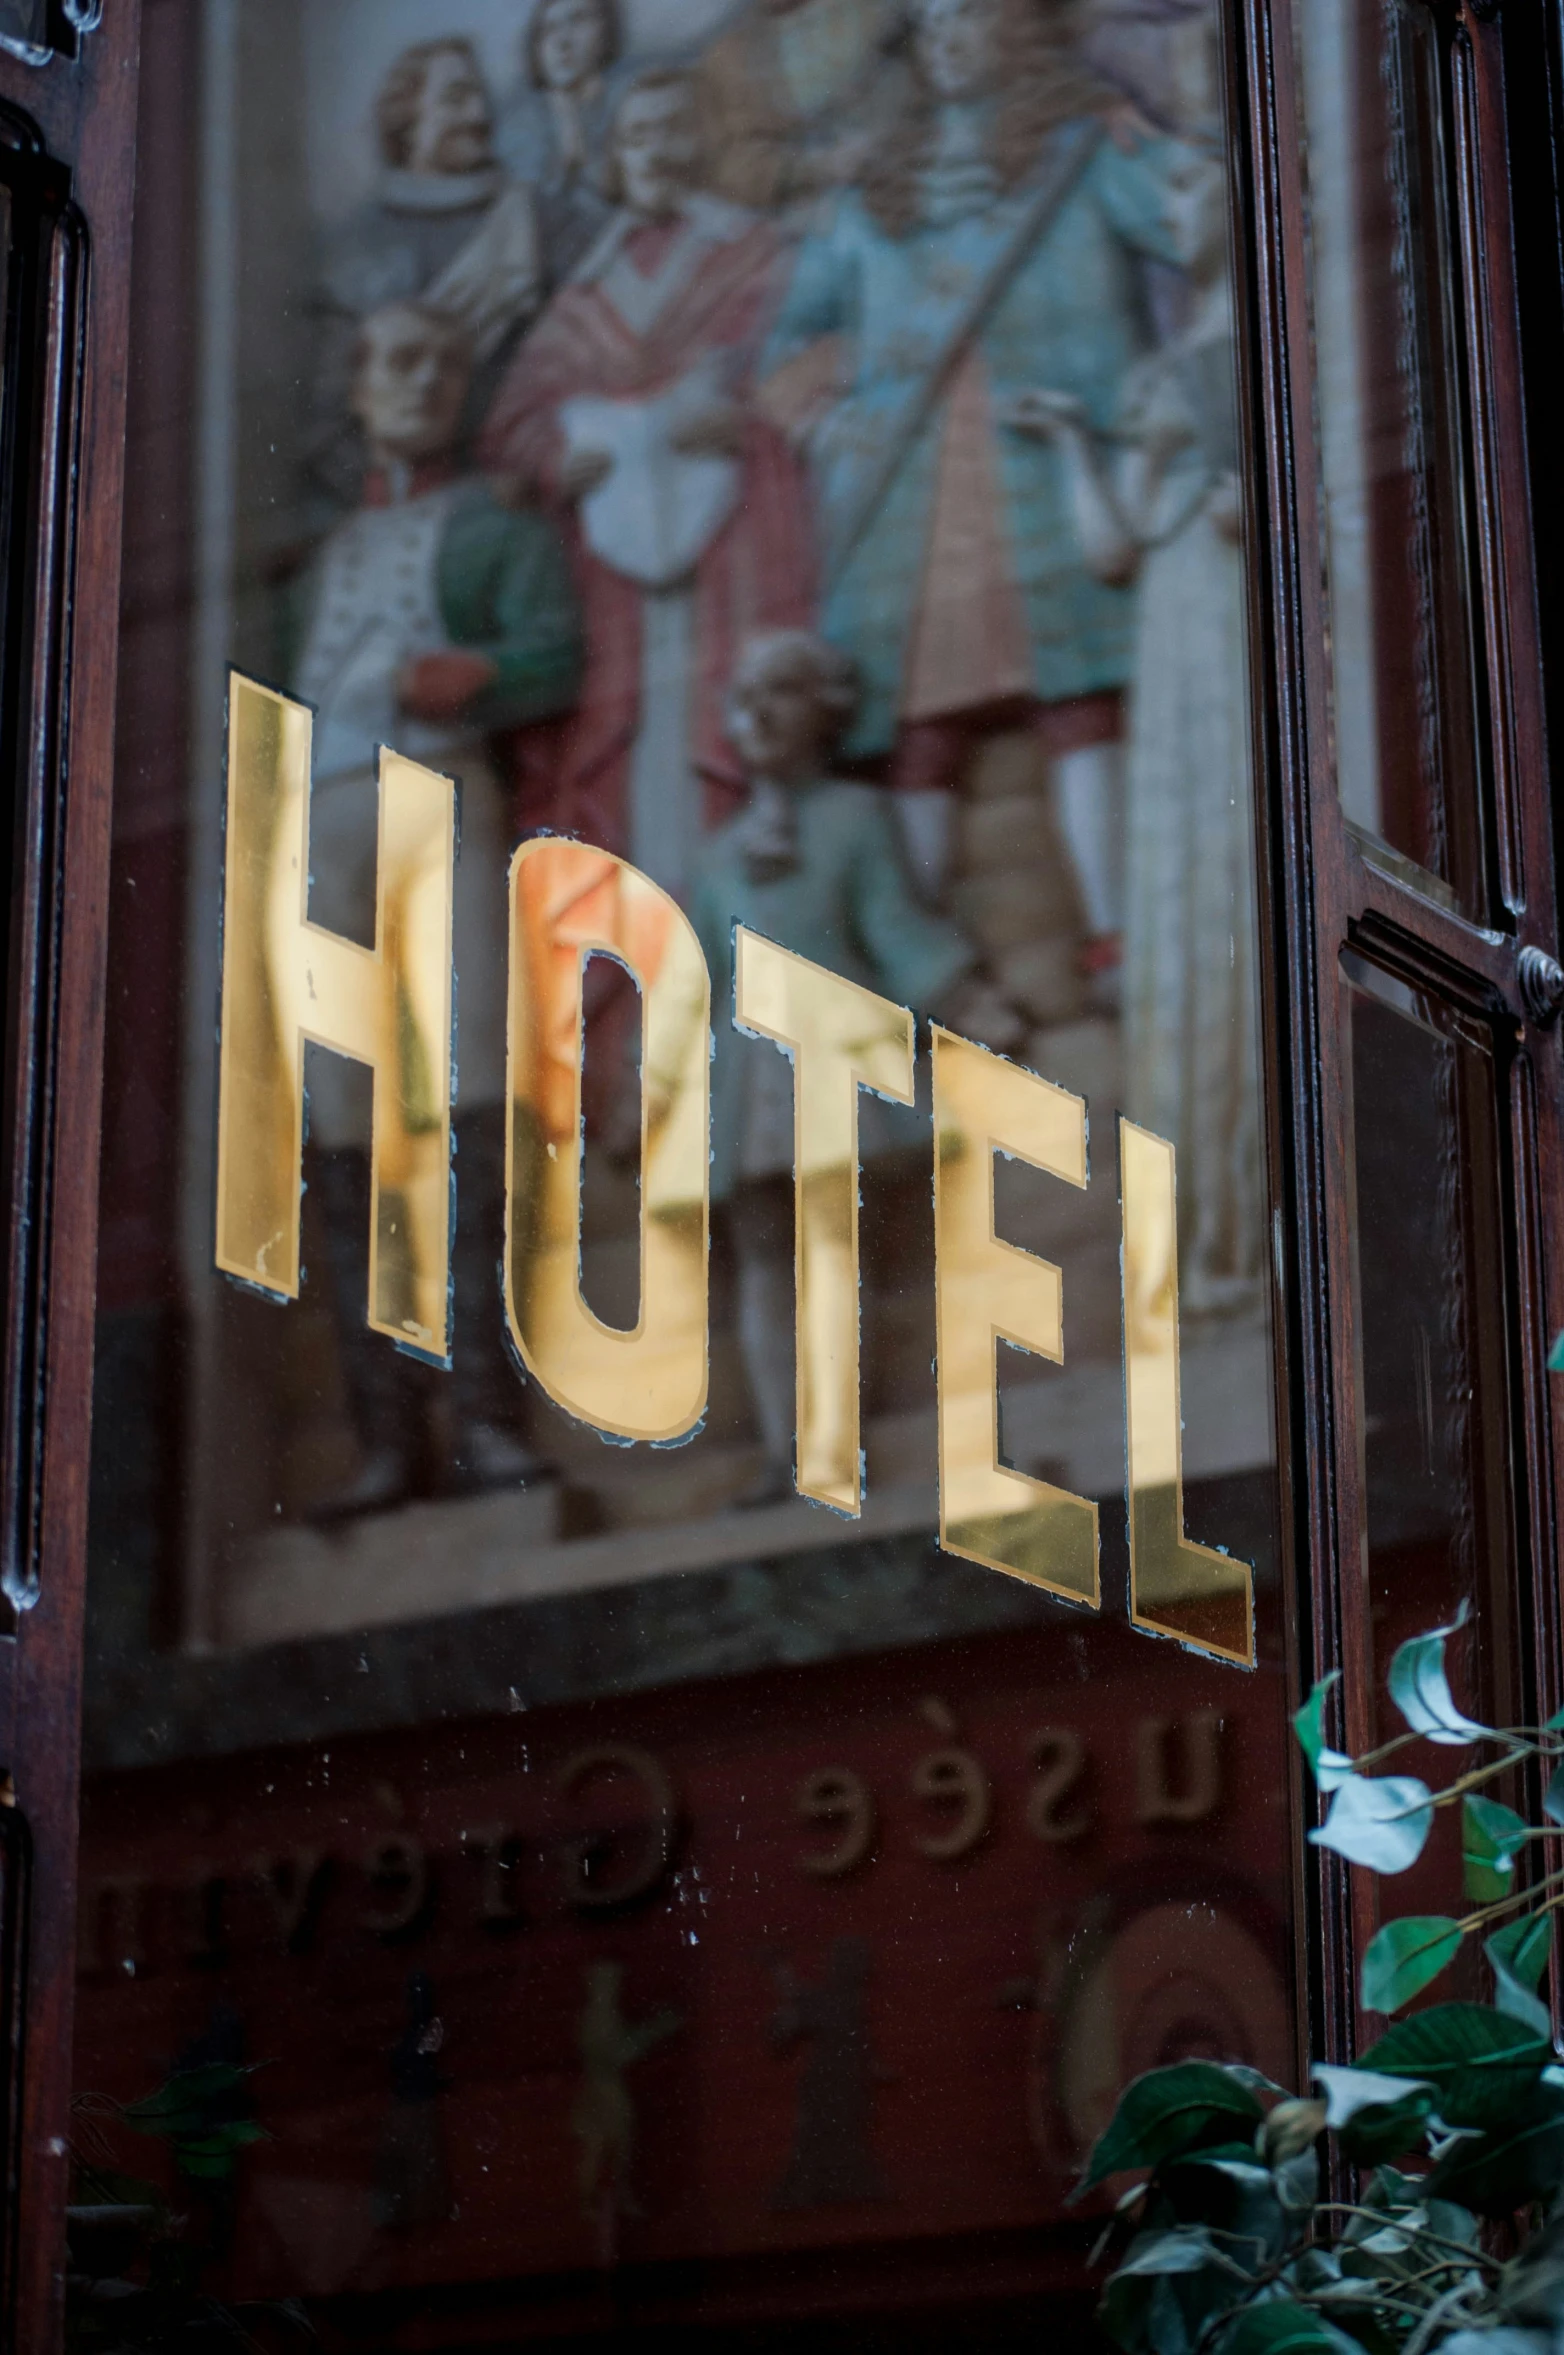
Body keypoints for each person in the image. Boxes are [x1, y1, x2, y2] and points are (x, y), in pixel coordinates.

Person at [759, 0, 1188, 987]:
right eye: (932, 26)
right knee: (916, 728)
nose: (949, 41)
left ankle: (1116, 935)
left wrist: (1174, 128)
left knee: (1081, 700)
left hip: (1047, 458)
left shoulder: (1083, 147)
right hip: (904, 491)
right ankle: (918, 972)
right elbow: (790, 347)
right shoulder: (872, 194)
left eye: (970, 17)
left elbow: (1196, 213)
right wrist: (827, 422)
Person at [285, 300, 583, 1513]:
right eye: (396, 361)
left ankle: (486, 1420)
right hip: (317, 824)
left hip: (439, 793)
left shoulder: (493, 526)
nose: (421, 381)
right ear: (355, 387)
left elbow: (555, 648)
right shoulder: (310, 562)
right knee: (339, 1127)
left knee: (467, 1092)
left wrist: (485, 674)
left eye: (442, 362)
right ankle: (381, 1439)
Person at [673, 631, 1019, 1503]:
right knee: (762, 1250)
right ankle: (781, 1443)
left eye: (782, 693)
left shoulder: (855, 820)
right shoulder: (718, 857)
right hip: (748, 1072)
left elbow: (897, 930)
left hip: (829, 1055)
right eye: (746, 698)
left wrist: (970, 1003)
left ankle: (830, 1437)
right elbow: (698, 978)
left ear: (821, 713)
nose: (760, 715)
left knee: (830, 1243)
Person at [1008, 156, 1262, 1314]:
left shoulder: (1265, 349)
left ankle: (1250, 1215)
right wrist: (1073, 440)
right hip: (1171, 662)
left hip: (1225, 655)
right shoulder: (1164, 371)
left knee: (1233, 888)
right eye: (1161, 195)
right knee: (1178, 909)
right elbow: (1109, 546)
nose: (1171, 212)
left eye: (1190, 188)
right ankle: (1201, 1226)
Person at [478, 67, 815, 904]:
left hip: (727, 558)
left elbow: (815, 366)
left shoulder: (752, 255)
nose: (655, 151)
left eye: (670, 129)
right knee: (624, 753)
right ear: (614, 156)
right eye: (636, 136)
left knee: (723, 723)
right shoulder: (589, 290)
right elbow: (515, 420)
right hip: (615, 585)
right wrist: (560, 459)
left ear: (698, 140)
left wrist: (747, 418)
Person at [311, 37, 542, 501]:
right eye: (456, 99)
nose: (479, 116)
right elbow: (327, 421)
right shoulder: (361, 241)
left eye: (482, 99)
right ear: (406, 116)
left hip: (510, 497)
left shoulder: (530, 224)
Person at [696, 0, 911, 216]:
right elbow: (734, 166)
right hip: (824, 213)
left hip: (910, 170)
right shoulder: (729, 58)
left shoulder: (875, 10)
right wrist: (816, 167)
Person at [496, 0, 622, 289]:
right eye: (549, 30)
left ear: (606, 31)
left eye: (578, 20)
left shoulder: (626, 101)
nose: (562, 41)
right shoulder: (520, 125)